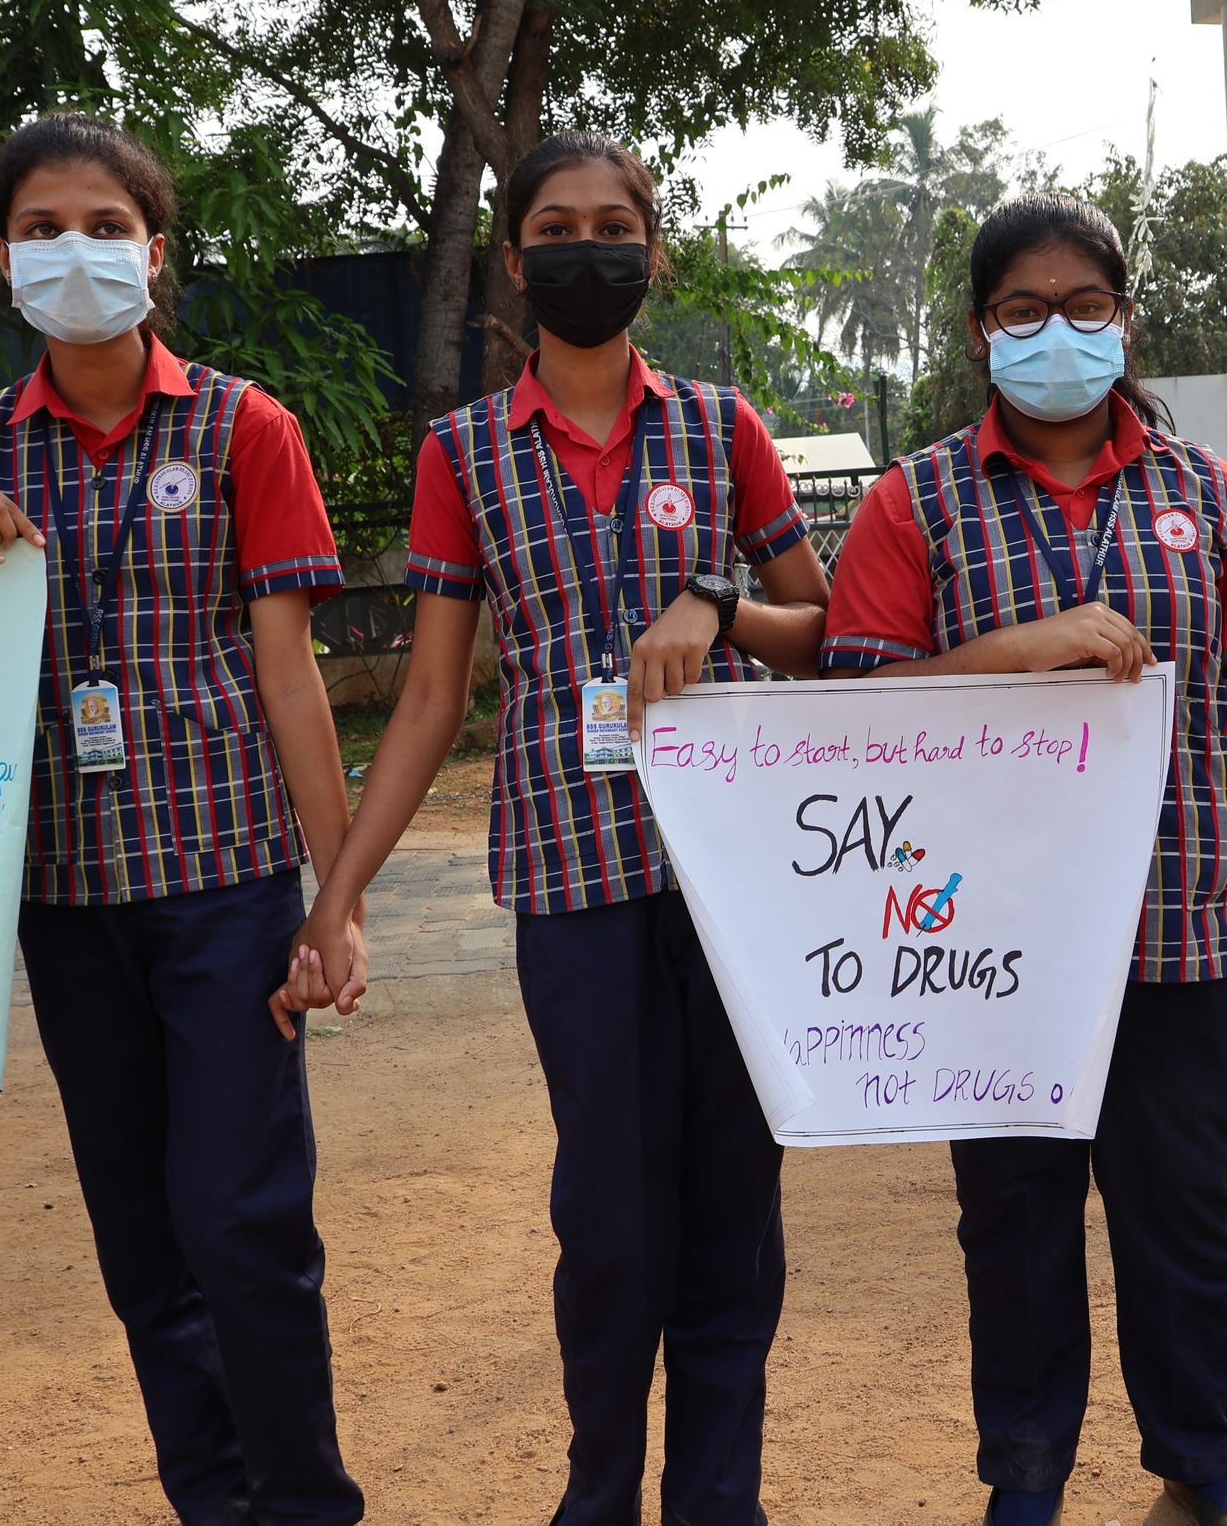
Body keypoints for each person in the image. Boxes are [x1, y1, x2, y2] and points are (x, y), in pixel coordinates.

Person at [819, 192, 1227, 1526]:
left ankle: (1197, 1446)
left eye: (1085, 306)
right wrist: (1015, 651)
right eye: (1024, 310)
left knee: (1184, 1210)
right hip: (991, 955)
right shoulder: (918, 507)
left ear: (1125, 320)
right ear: (981, 334)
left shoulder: (1210, 496)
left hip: (1184, 930)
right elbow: (863, 722)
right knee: (1015, 1220)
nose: (1057, 333)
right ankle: (1025, 1471)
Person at [279, 132, 830, 1526]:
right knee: (611, 1212)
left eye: (618, 225)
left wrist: (715, 596)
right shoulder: (464, 452)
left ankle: (720, 1497)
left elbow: (831, 634)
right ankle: (599, 1490)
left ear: (655, 248)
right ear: (516, 261)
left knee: (732, 1203)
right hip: (571, 880)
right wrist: (338, 895)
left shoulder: (722, 428)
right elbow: (426, 700)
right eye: (560, 228)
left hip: (736, 879)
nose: (592, 249)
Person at [0, 113, 364, 1524]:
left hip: (224, 881)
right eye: (43, 229)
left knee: (243, 1222)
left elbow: (291, 677)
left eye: (105, 227)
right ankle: (212, 1500)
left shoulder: (244, 426)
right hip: (63, 895)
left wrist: (333, 899)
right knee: (141, 1240)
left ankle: (303, 1502)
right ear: (3, 261)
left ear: (156, 255)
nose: (75, 252)